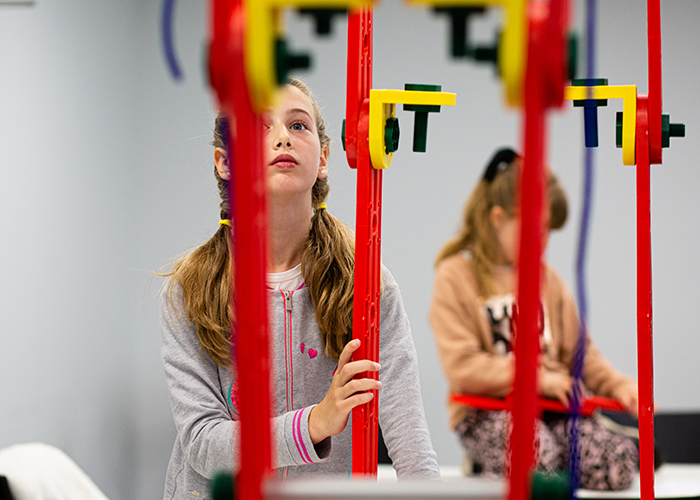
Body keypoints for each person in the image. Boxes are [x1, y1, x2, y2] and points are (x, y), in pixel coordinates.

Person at [159, 79, 439, 500]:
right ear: (224, 162)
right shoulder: (190, 290)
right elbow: (203, 443)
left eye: (299, 125)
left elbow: (410, 441)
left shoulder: (365, 284)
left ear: (324, 157)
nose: (282, 137)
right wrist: (316, 422)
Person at [429, 148, 639, 490]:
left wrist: (619, 386)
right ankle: (485, 466)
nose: (543, 242)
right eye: (534, 230)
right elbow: (462, 367)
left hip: (551, 409)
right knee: (538, 457)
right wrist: (538, 378)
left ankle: (510, 468)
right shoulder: (456, 276)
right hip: (488, 413)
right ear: (498, 218)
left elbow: (581, 354)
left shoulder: (547, 278)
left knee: (617, 466)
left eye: (548, 232)